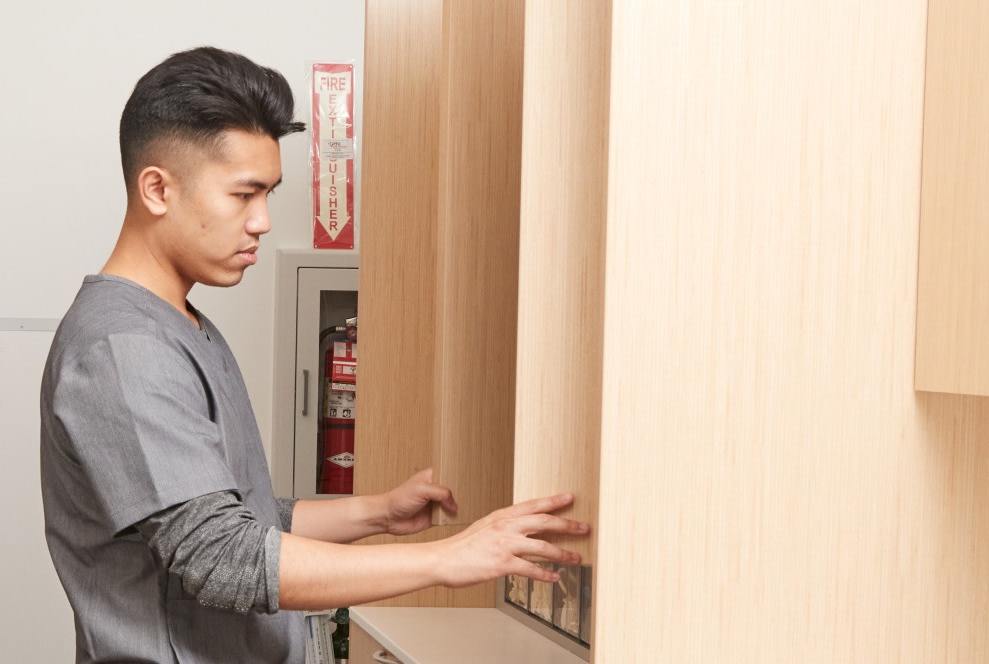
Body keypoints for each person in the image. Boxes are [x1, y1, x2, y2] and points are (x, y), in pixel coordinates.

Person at [39, 47, 590, 663]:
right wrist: (448, 558)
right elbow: (223, 556)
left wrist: (375, 513)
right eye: (244, 195)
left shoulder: (178, 323)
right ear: (157, 189)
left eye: (268, 194)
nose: (263, 222)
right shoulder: (122, 347)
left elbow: (239, 512)